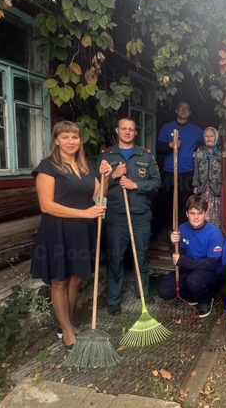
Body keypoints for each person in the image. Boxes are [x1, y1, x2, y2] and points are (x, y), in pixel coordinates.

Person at [31, 121, 111, 351]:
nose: (71, 141)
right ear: (56, 141)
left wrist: (106, 178)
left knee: (76, 278)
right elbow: (46, 205)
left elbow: (98, 199)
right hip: (57, 229)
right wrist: (84, 213)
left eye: (74, 137)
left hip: (81, 230)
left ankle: (67, 322)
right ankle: (66, 329)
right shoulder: (47, 168)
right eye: (65, 137)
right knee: (60, 279)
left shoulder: (85, 168)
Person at [97, 118, 161, 315]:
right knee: (116, 256)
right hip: (116, 215)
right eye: (123, 129)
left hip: (140, 214)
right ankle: (114, 299)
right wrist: (114, 175)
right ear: (117, 130)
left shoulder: (146, 156)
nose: (127, 132)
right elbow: (98, 188)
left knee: (141, 254)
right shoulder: (106, 157)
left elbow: (157, 182)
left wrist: (136, 186)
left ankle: (143, 292)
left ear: (135, 133)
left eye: (131, 129)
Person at [158, 195, 224, 318]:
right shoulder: (182, 228)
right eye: (192, 213)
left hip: (210, 272)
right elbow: (178, 256)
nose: (196, 217)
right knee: (164, 290)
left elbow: (211, 264)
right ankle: (192, 294)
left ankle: (206, 299)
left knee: (194, 281)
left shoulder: (214, 233)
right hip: (189, 270)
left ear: (205, 213)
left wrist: (183, 261)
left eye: (200, 213)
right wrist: (172, 243)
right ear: (187, 213)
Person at [155, 102, 204, 232]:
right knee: (164, 202)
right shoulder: (167, 127)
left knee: (184, 204)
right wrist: (170, 145)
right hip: (169, 171)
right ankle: (157, 233)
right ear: (176, 111)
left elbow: (211, 139)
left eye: (186, 109)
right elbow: (158, 148)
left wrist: (199, 151)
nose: (183, 110)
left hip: (187, 172)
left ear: (190, 113)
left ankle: (182, 232)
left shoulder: (195, 130)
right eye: (181, 108)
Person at [193, 127, 223, 230]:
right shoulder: (200, 151)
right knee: (201, 214)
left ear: (216, 137)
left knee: (215, 218)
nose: (209, 138)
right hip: (202, 190)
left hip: (216, 191)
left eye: (211, 136)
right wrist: (195, 185)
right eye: (206, 136)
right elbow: (196, 169)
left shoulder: (221, 152)